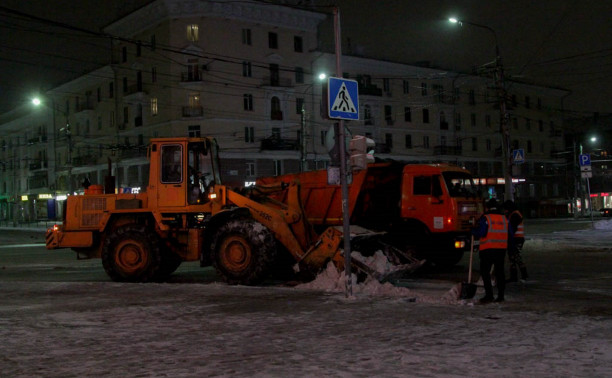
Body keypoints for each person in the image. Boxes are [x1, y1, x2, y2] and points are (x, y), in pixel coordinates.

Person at [472, 198, 509, 303]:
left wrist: (473, 230)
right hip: (501, 249)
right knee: (500, 272)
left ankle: (489, 295)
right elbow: (510, 233)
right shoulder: (504, 219)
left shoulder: (486, 218)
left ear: (487, 207)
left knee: (485, 272)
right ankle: (501, 296)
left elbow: (482, 233)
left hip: (487, 249)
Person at [503, 200, 528, 282]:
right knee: (513, 257)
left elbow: (512, 228)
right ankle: (515, 276)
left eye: (506, 209)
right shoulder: (514, 214)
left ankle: (523, 275)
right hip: (516, 238)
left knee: (516, 257)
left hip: (517, 239)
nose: (505, 211)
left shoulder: (515, 215)